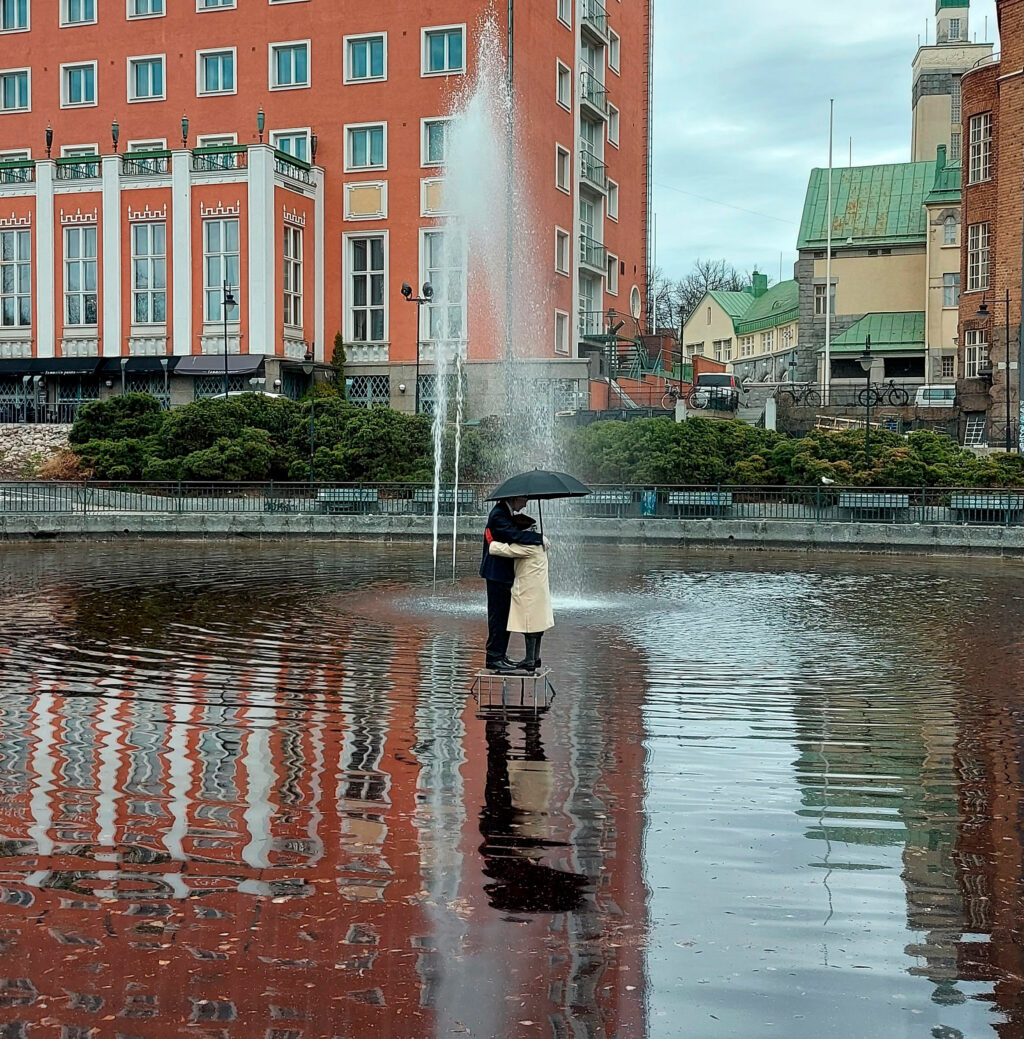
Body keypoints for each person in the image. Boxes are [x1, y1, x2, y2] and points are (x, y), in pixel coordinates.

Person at [480, 496, 544, 674]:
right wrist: (537, 537)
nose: (525, 504)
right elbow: (512, 535)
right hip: (496, 574)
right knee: (498, 617)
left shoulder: (504, 513)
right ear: (515, 498)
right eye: (524, 500)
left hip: (503, 574)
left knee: (504, 616)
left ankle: (500, 655)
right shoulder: (498, 515)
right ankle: (493, 658)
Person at [488, 513, 553, 673]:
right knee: (537, 626)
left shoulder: (528, 546)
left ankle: (530, 660)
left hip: (528, 590)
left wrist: (490, 539)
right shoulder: (540, 543)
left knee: (529, 626)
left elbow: (502, 550)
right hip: (539, 590)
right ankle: (535, 657)